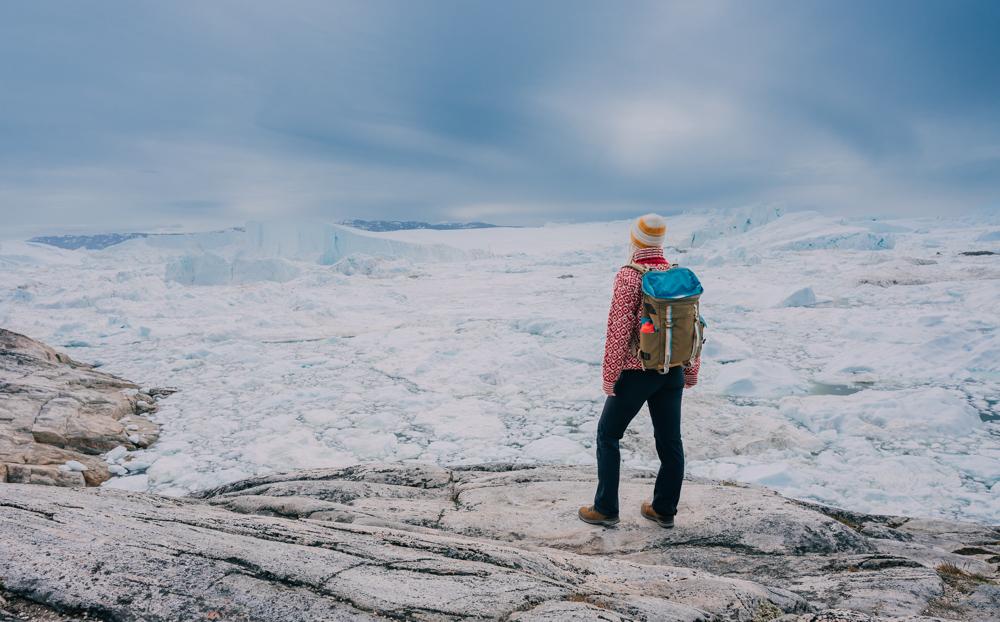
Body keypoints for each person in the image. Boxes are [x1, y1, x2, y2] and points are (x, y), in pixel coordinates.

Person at [578, 213, 700, 529]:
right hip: (671, 370)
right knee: (670, 442)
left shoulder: (630, 276)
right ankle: (663, 509)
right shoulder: (678, 275)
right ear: (660, 241)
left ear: (635, 240)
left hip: (636, 373)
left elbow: (618, 329)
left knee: (608, 434)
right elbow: (693, 328)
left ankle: (605, 508)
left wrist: (610, 375)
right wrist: (690, 369)